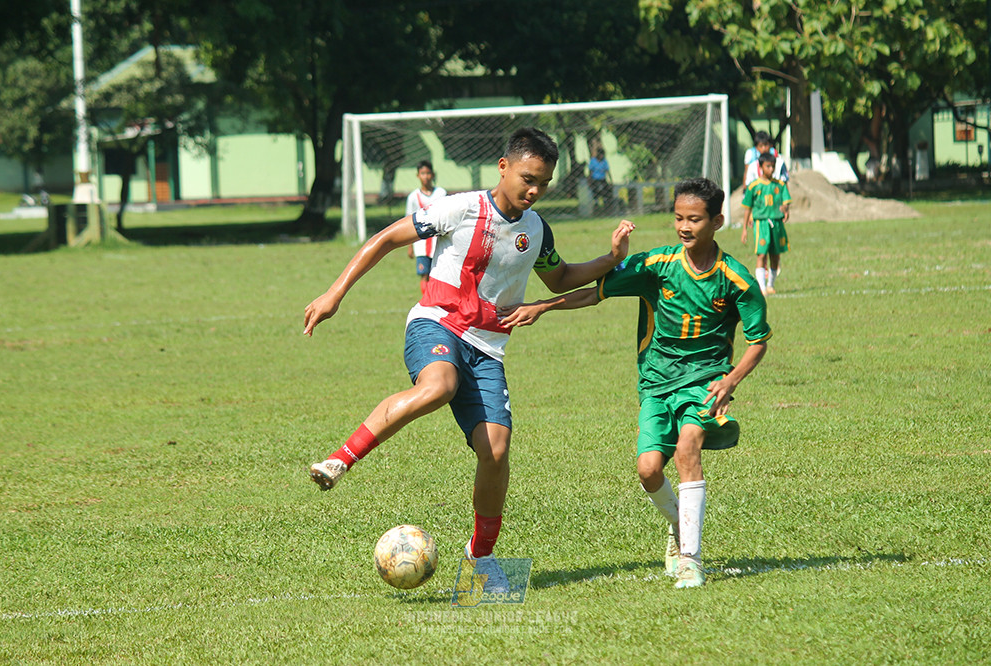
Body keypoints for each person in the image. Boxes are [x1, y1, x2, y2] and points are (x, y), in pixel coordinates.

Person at [303, 127, 636, 581]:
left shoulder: (536, 228)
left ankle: (480, 558)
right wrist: (333, 294)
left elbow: (558, 279)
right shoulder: (461, 208)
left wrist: (611, 258)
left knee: (496, 451)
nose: (534, 190)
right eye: (527, 178)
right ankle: (341, 459)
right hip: (435, 323)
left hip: (488, 348)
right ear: (503, 167)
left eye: (543, 182)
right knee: (440, 385)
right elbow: (384, 240)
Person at [497, 177, 771, 589]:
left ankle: (691, 560)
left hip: (706, 382)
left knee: (688, 446)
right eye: (678, 217)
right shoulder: (655, 266)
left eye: (694, 219)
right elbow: (594, 293)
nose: (683, 226)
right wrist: (543, 306)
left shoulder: (736, 279)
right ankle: (681, 526)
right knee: (647, 471)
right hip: (656, 382)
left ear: (716, 221)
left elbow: (758, 340)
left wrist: (730, 380)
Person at [741, 152, 792, 295]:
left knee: (775, 255)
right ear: (761, 167)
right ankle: (762, 288)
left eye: (773, 166)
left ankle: (770, 285)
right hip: (761, 223)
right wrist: (744, 228)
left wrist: (786, 209)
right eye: (768, 166)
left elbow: (786, 201)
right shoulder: (754, 186)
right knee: (761, 255)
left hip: (776, 223)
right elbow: (747, 208)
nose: (771, 169)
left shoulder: (780, 185)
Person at [405, 160, 447, 294]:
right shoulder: (413, 197)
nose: (426, 176)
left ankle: (436, 299)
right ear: (418, 175)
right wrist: (409, 245)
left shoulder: (441, 193)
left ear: (433, 175)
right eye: (422, 173)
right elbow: (409, 220)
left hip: (438, 240)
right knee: (424, 274)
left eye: (428, 173)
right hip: (420, 243)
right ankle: (427, 300)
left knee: (439, 274)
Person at [588, 147, 612, 213]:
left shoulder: (604, 161)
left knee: (606, 190)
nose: (602, 156)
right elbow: (590, 171)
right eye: (601, 154)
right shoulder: (593, 161)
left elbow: (607, 171)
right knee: (595, 191)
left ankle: (606, 204)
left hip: (602, 179)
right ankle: (596, 204)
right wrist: (589, 181)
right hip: (595, 179)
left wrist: (610, 180)